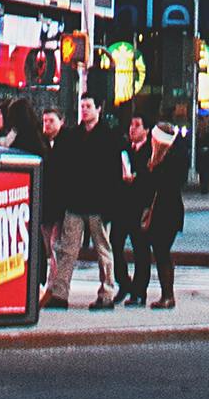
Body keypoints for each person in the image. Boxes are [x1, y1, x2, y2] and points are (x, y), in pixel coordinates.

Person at [42, 99, 122, 309]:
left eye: (88, 106)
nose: (84, 110)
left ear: (98, 109)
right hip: (76, 202)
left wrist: (110, 206)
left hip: (98, 204)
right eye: (82, 106)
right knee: (67, 250)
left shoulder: (108, 136)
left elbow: (114, 174)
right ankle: (60, 293)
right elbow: (64, 169)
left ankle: (106, 293)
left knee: (103, 250)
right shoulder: (73, 136)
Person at [123, 105, 188, 310]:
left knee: (161, 252)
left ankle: (168, 295)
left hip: (165, 211)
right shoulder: (157, 155)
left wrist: (150, 172)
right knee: (153, 252)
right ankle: (156, 293)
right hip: (157, 210)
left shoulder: (170, 156)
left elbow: (165, 183)